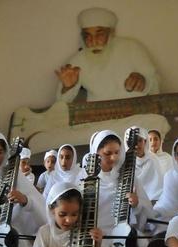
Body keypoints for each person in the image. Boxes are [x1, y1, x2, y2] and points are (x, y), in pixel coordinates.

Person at [51, 7, 170, 148]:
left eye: (99, 34)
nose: (93, 41)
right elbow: (61, 104)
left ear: (111, 33)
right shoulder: (78, 60)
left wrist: (143, 82)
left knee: (156, 122)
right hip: (96, 121)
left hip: (133, 117)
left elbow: (155, 81)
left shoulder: (131, 48)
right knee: (54, 135)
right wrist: (68, 86)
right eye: (88, 36)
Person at [91, 130, 153, 247]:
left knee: (145, 246)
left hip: (123, 231)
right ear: (96, 153)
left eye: (117, 152)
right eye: (107, 153)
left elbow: (147, 208)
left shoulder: (129, 177)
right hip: (98, 234)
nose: (113, 158)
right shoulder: (89, 180)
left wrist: (136, 203)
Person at [125, 127, 163, 202]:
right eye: (132, 141)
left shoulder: (153, 160)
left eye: (139, 141)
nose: (136, 145)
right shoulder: (124, 162)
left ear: (145, 142)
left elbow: (159, 189)